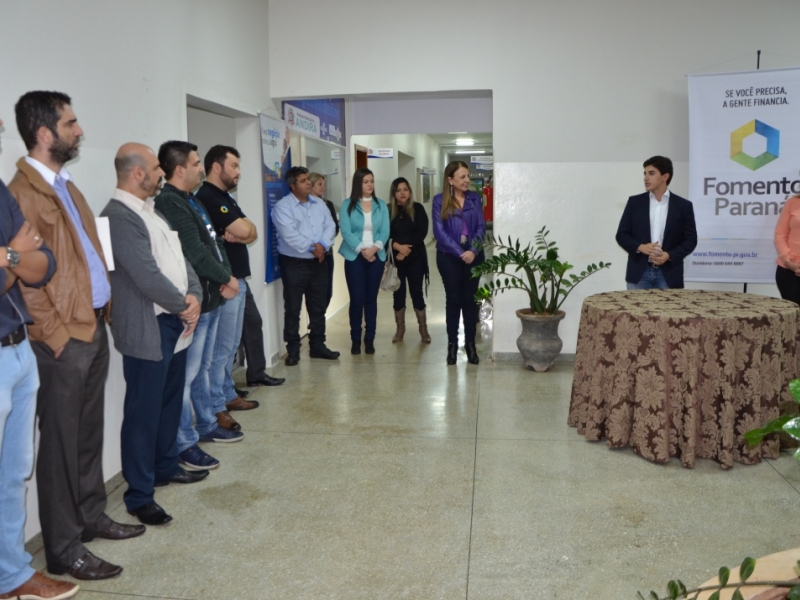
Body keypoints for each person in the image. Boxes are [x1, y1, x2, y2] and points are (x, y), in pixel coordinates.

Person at [9, 91, 142, 581]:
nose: (79, 130)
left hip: (90, 326)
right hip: (62, 339)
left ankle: (90, 516)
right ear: (45, 133)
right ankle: (64, 549)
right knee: (60, 447)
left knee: (86, 434)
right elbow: (26, 275)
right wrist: (55, 334)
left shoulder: (64, 184)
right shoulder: (23, 192)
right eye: (71, 123)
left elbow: (86, 254)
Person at [101, 143, 206, 528]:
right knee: (142, 414)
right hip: (150, 326)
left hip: (174, 320)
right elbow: (145, 275)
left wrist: (193, 295)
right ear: (137, 173)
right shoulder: (116, 216)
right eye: (156, 168)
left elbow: (182, 260)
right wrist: (184, 305)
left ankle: (165, 467)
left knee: (168, 402)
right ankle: (140, 496)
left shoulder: (153, 211)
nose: (162, 173)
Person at [0, 115, 78, 600]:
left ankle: (11, 576)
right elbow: (21, 261)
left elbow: (42, 262)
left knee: (12, 477)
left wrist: (8, 256)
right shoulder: (17, 187)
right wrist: (15, 256)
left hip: (17, 350)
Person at [155, 141, 243, 471]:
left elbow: (214, 243)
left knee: (202, 370)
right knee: (187, 376)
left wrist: (226, 276)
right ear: (180, 169)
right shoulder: (170, 203)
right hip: (197, 304)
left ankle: (206, 423)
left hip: (212, 297)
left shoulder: (191, 199)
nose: (201, 170)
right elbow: (194, 253)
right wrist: (226, 278)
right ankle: (184, 441)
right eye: (195, 164)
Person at [196, 145, 284, 422]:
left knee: (231, 342)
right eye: (233, 166)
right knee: (223, 347)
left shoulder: (225, 197)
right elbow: (247, 230)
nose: (238, 172)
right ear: (216, 167)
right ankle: (219, 401)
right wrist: (244, 232)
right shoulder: (209, 197)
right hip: (225, 282)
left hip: (237, 279)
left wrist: (244, 233)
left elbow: (252, 231)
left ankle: (226, 393)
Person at [272, 166, 339, 365]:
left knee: (318, 307)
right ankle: (293, 350)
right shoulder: (283, 207)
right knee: (293, 308)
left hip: (319, 262)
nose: (308, 183)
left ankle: (318, 346)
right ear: (293, 186)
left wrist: (323, 245)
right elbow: (289, 234)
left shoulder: (319, 204)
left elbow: (330, 226)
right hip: (294, 264)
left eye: (308, 179)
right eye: (303, 180)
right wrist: (313, 248)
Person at [615, 156, 698, 290]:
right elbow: (622, 235)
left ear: (665, 176)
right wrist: (640, 247)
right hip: (639, 274)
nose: (646, 178)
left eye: (651, 173)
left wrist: (669, 255)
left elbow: (690, 240)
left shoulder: (683, 206)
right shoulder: (635, 203)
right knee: (635, 305)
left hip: (669, 274)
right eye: (645, 173)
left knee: (669, 305)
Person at [432, 160, 486, 366]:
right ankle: (452, 344)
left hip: (474, 256)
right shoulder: (439, 201)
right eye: (462, 177)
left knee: (470, 301)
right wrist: (460, 252)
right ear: (450, 180)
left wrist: (472, 250)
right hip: (449, 257)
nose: (467, 180)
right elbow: (439, 232)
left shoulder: (474, 198)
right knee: (453, 300)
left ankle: (470, 344)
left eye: (467, 176)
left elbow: (481, 227)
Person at [339, 168, 390, 355]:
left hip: (376, 257)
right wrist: (363, 250)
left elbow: (385, 231)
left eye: (372, 181)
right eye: (366, 181)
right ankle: (355, 339)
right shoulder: (347, 205)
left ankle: (369, 339)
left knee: (371, 299)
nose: (370, 185)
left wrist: (374, 248)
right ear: (358, 184)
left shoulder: (381, 205)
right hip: (355, 257)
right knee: (356, 299)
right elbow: (345, 231)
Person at [388, 176, 430, 343]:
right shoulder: (387, 210)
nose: (402, 193)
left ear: (410, 191)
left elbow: (422, 232)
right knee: (398, 294)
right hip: (396, 260)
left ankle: (423, 330)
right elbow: (384, 234)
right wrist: (398, 247)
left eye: (405, 189)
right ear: (394, 193)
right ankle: (400, 329)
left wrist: (405, 250)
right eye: (398, 190)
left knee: (416, 292)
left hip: (416, 258)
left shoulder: (417, 208)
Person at [309, 172, 339, 306]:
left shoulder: (328, 204)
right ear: (311, 185)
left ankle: (320, 317)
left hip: (327, 254)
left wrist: (322, 244)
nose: (323, 187)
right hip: (309, 255)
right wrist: (315, 246)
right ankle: (315, 317)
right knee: (313, 293)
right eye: (320, 184)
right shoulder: (303, 204)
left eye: (324, 184)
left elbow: (334, 228)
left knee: (327, 292)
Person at [774, 178, 800, 304]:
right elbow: (780, 235)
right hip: (788, 272)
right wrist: (788, 261)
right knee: (792, 314)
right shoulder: (792, 203)